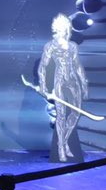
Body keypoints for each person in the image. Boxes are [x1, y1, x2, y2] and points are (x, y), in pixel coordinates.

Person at [38, 14, 89, 163]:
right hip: (59, 81)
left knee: (76, 113)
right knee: (61, 115)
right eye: (59, 29)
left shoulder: (73, 46)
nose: (62, 32)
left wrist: (84, 85)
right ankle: (60, 148)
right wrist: (42, 85)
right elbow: (43, 67)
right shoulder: (50, 46)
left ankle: (64, 142)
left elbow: (77, 66)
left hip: (73, 81)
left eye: (64, 29)